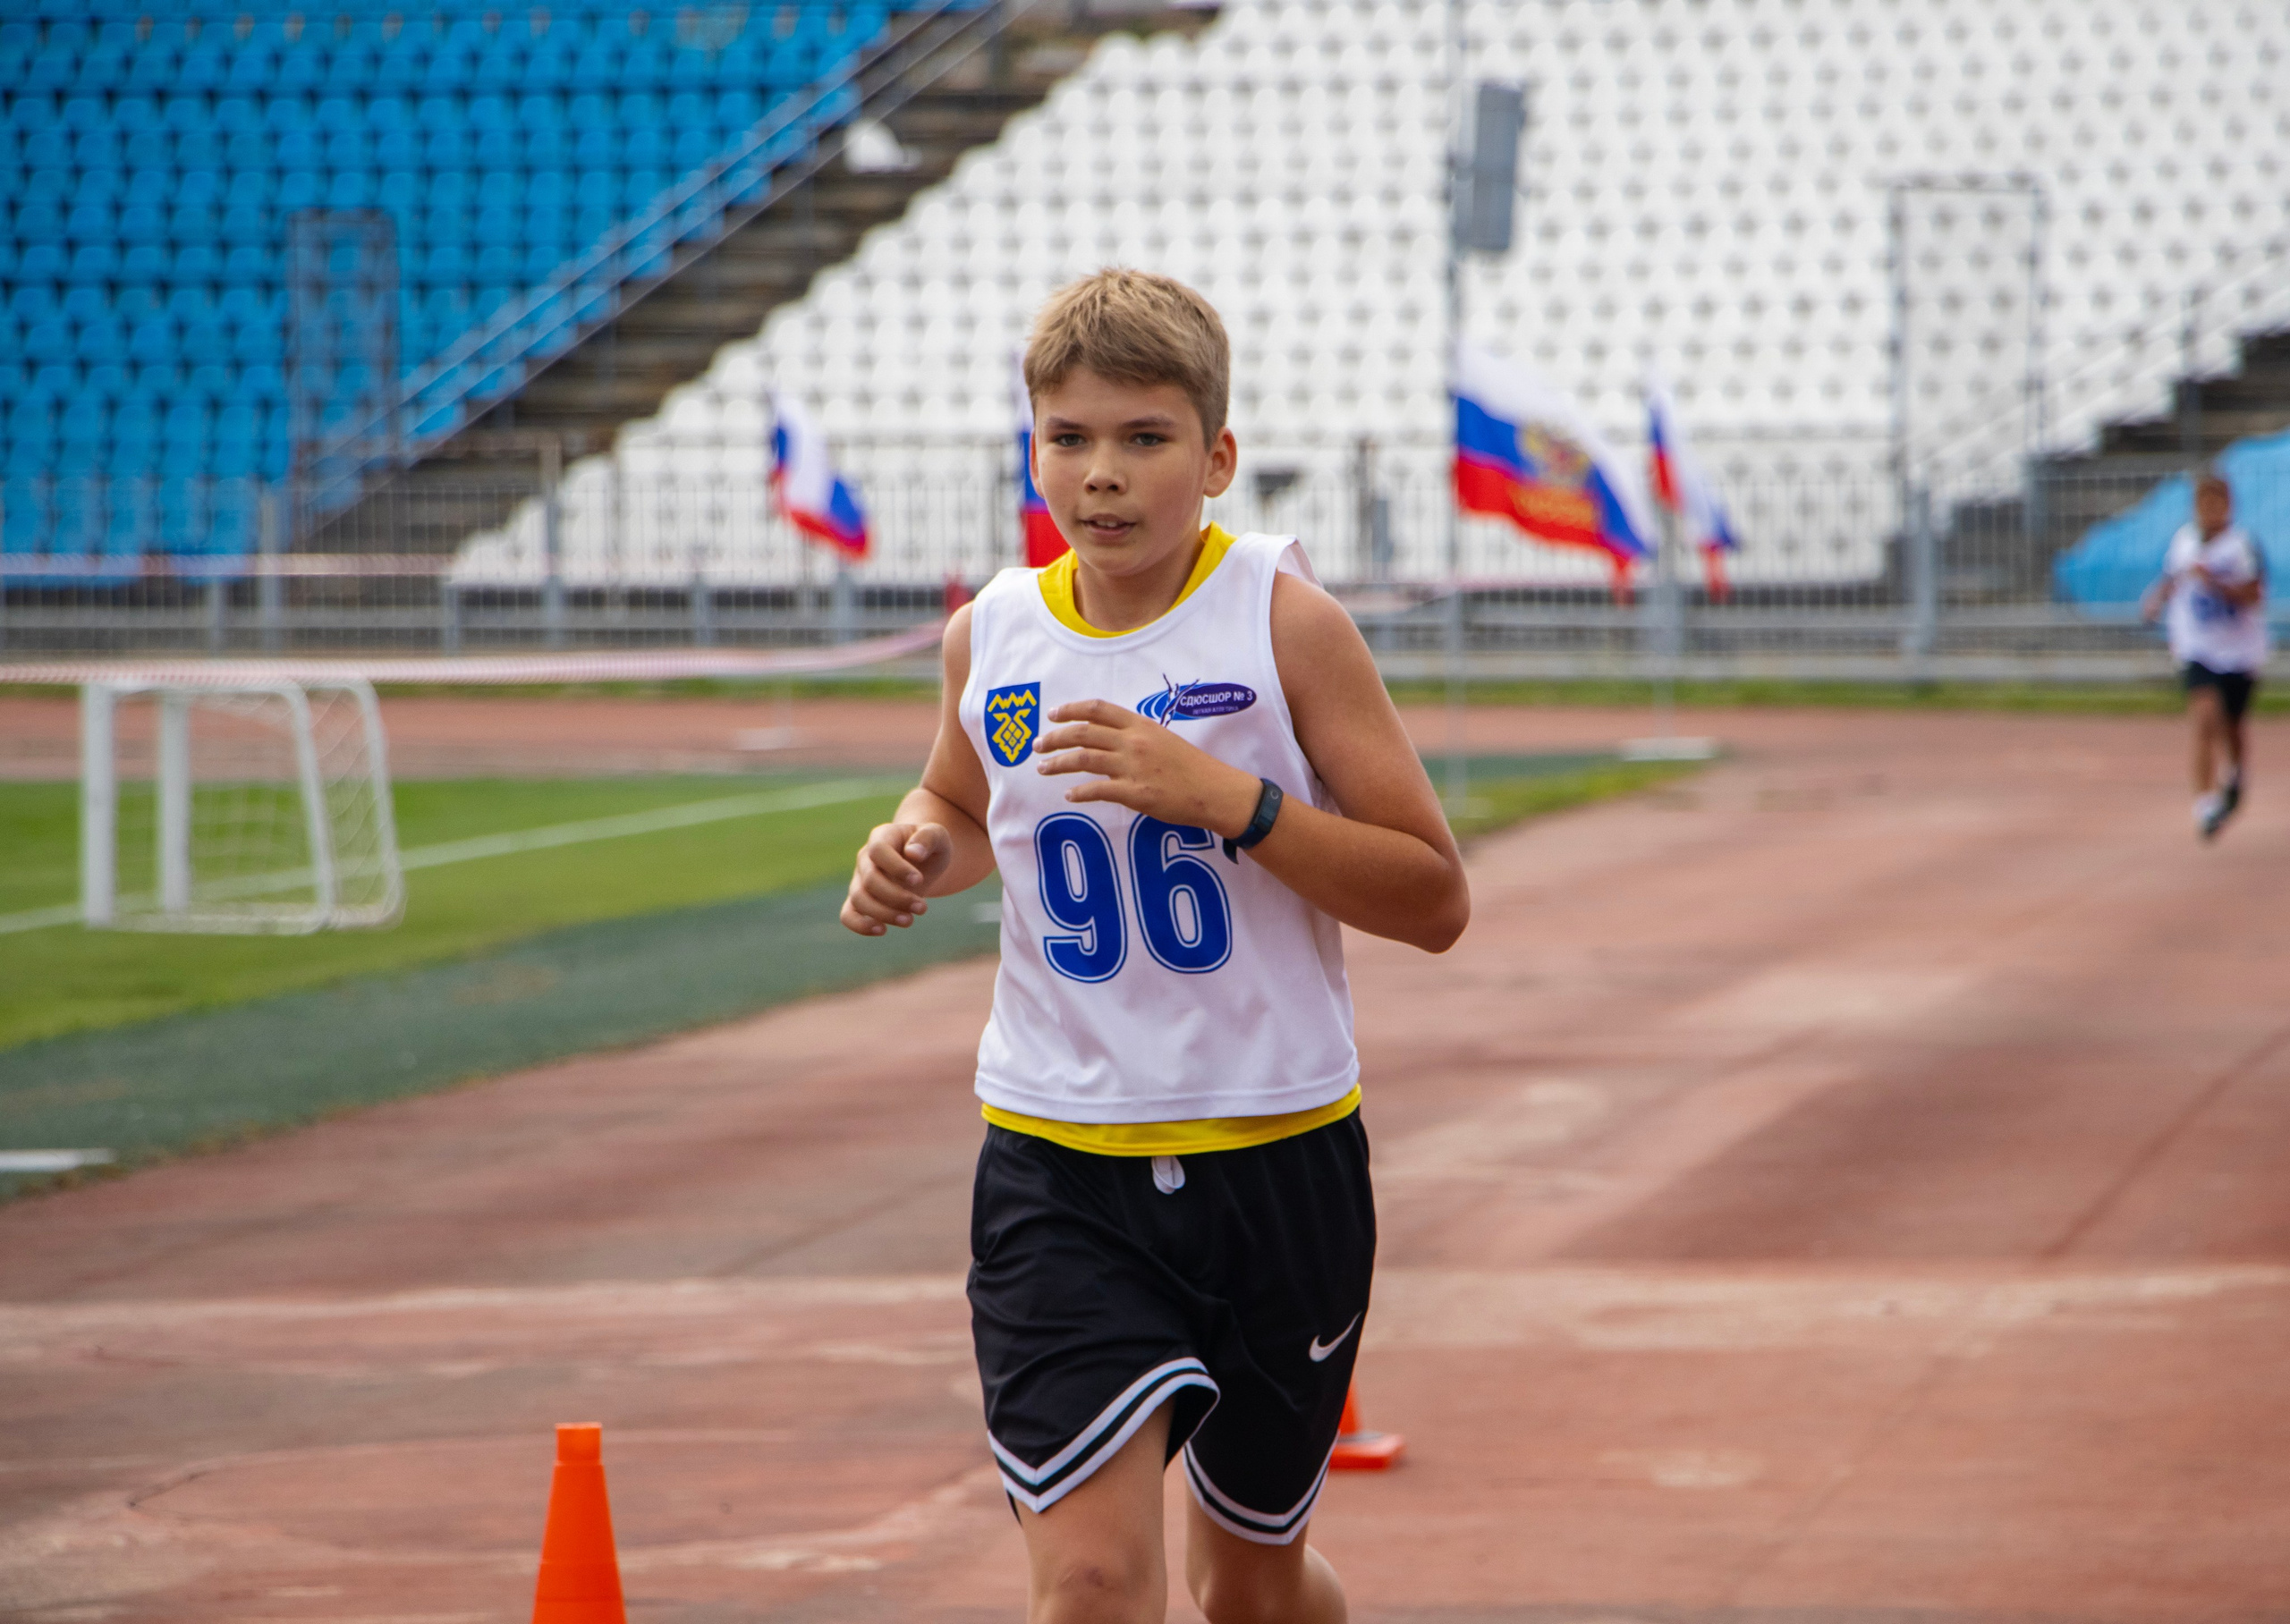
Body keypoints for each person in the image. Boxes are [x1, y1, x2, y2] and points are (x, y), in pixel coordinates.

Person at [841, 268, 1470, 1624]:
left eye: (1144, 437)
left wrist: (1233, 803)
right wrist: (914, 846)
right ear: (1032, 452)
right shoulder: (990, 637)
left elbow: (1433, 896)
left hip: (1279, 1164)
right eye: (1068, 438)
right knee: (1089, 1584)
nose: (1103, 474)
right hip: (1060, 1167)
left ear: (1217, 457)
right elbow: (959, 802)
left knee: (1246, 1585)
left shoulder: (1283, 622)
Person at [2142, 470, 2269, 841]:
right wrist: (2156, 600)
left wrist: (2214, 582)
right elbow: (2173, 578)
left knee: (2232, 725)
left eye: (2218, 504)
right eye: (2205, 504)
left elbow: (2254, 595)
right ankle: (2206, 804)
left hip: (2239, 651)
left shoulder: (2242, 545)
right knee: (2204, 718)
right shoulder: (2184, 542)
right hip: (2198, 646)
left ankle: (2236, 774)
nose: (2211, 511)